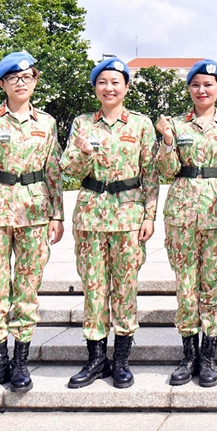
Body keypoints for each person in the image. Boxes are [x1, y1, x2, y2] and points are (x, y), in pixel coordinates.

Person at [0, 51, 64, 395]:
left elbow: (53, 169)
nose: (21, 83)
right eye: (13, 78)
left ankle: (20, 361)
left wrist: (57, 213)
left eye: (27, 77)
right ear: (2, 84)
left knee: (27, 286)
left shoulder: (47, 123)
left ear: (35, 81)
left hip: (34, 210)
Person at [61, 57, 159, 390]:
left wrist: (150, 215)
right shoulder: (82, 124)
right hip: (91, 214)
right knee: (94, 287)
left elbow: (151, 174)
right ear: (95, 88)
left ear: (126, 87)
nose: (109, 88)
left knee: (125, 287)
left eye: (116, 82)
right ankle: (95, 359)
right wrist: (82, 152)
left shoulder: (141, 125)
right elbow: (69, 169)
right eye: (102, 82)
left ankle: (121, 360)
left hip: (129, 215)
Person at [155, 59, 217, 387]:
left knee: (213, 286)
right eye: (195, 85)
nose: (201, 90)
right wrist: (168, 141)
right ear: (189, 90)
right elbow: (166, 171)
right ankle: (188, 356)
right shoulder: (175, 125)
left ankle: (208, 356)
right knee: (186, 286)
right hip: (182, 215)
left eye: (208, 85)